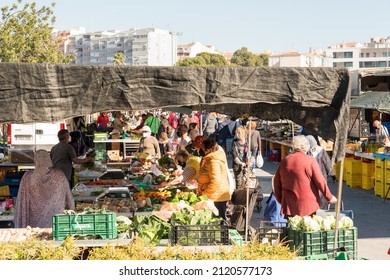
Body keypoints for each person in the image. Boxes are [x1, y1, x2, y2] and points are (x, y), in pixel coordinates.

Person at [273, 135, 337, 218]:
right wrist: (330, 197)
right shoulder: (310, 161)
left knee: (292, 228)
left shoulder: (285, 160)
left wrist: (281, 200)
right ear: (306, 147)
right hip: (308, 206)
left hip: (290, 205)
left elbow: (276, 182)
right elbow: (320, 181)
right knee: (307, 228)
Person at [14, 150, 75, 228]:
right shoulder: (59, 175)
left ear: (35, 160)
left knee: (36, 238)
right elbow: (69, 198)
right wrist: (72, 211)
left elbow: (21, 201)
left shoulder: (28, 177)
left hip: (33, 224)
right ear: (49, 159)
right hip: (56, 221)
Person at [197, 138, 231, 220]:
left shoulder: (214, 162)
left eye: (202, 148)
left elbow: (216, 181)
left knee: (217, 221)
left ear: (208, 150)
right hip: (215, 195)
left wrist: (205, 193)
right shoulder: (211, 159)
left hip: (216, 197)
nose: (200, 150)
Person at [306, 134, 336, 209]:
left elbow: (327, 163)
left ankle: (316, 209)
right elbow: (327, 164)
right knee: (322, 191)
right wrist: (333, 175)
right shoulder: (321, 150)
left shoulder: (307, 152)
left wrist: (332, 175)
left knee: (315, 192)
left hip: (311, 177)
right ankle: (321, 209)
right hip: (321, 176)